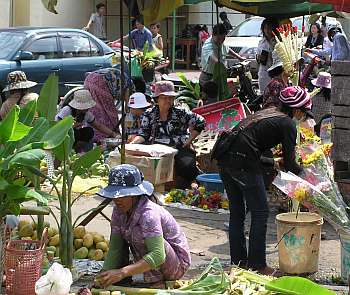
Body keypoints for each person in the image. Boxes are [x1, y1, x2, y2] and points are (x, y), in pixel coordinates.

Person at [217, 86, 312, 275]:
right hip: (242, 163)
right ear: (297, 110)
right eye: (303, 112)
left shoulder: (266, 113)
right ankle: (258, 265)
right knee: (260, 213)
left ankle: (239, 263)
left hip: (224, 158)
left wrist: (272, 162)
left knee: (237, 213)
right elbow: (292, 164)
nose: (303, 116)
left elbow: (248, 144)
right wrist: (309, 178)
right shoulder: (287, 123)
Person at [97, 164, 191, 287]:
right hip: (149, 261)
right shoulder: (118, 212)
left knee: (138, 234)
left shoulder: (149, 214)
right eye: (115, 195)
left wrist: (122, 272)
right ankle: (150, 276)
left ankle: (161, 280)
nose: (117, 199)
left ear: (134, 194)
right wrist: (103, 276)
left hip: (175, 264)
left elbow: (158, 255)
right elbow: (116, 248)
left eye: (122, 195)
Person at [131, 81, 206, 189]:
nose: (168, 101)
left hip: (179, 147)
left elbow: (201, 121)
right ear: (157, 99)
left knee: (187, 165)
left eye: (170, 98)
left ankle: (192, 183)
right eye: (164, 98)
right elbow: (144, 134)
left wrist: (189, 140)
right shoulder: (148, 113)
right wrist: (134, 143)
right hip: (155, 148)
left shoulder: (181, 112)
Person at [84, 68, 131, 143]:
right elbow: (127, 110)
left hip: (89, 79)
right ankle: (109, 136)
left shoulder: (125, 81)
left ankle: (94, 136)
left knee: (94, 109)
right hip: (100, 82)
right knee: (109, 112)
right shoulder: (130, 88)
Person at [200, 23, 244, 88]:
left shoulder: (220, 42)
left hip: (219, 76)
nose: (221, 42)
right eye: (219, 39)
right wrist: (221, 65)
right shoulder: (208, 45)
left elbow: (227, 49)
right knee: (211, 97)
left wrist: (239, 57)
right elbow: (212, 57)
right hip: (208, 77)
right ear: (213, 35)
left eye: (223, 39)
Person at [257, 18, 279, 93]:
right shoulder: (261, 42)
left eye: (269, 28)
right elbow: (257, 57)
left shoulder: (277, 42)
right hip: (263, 73)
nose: (267, 31)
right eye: (265, 28)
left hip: (276, 74)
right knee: (264, 95)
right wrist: (258, 57)